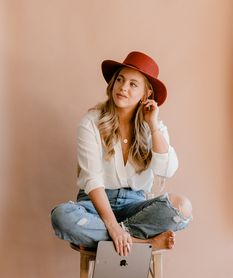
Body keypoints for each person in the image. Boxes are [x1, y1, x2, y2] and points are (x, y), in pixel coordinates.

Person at [51, 51, 192, 257]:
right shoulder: (91, 123)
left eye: (133, 84)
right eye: (120, 80)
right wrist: (113, 228)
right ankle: (144, 242)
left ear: (146, 94)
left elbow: (166, 170)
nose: (123, 88)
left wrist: (152, 125)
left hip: (135, 207)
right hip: (94, 207)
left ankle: (101, 237)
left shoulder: (154, 127)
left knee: (182, 207)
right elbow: (92, 180)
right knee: (62, 217)